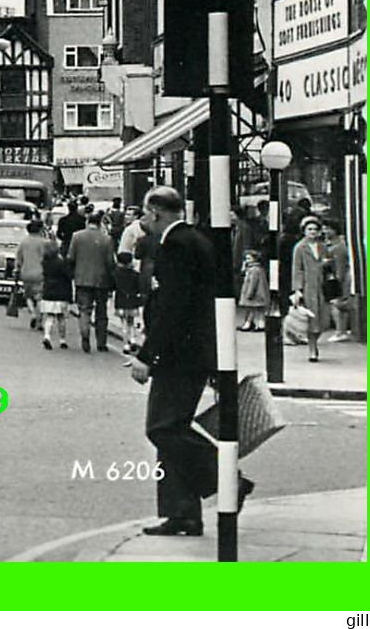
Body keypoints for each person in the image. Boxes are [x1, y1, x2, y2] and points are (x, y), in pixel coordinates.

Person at [129, 185, 249, 538]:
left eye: (144, 214)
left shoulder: (176, 245)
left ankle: (229, 480)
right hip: (192, 352)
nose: (142, 221)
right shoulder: (193, 240)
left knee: (162, 429)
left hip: (182, 356)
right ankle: (182, 514)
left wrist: (147, 355)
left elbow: (173, 308)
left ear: (155, 212)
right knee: (173, 429)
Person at [70, 209, 117, 354]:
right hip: (101, 280)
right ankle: (101, 343)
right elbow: (110, 262)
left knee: (84, 310)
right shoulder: (106, 239)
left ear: (87, 222)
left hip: (82, 279)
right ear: (100, 224)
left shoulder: (77, 237)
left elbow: (71, 257)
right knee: (101, 312)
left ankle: (85, 337)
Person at [290, 217, 331, 363]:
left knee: (322, 320)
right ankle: (312, 348)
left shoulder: (323, 247)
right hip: (308, 287)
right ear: (304, 231)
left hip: (322, 287)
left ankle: (314, 342)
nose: (312, 232)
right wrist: (297, 289)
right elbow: (297, 269)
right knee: (311, 319)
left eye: (315, 229)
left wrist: (326, 264)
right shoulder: (300, 247)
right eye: (309, 229)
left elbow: (328, 267)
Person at [13, 219, 56, 334]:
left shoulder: (24, 242)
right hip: (41, 273)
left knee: (28, 296)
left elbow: (19, 258)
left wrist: (17, 269)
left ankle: (32, 313)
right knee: (40, 298)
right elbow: (51, 256)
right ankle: (39, 319)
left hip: (26, 272)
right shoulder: (45, 243)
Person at [321, 222, 356, 341]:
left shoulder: (338, 247)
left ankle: (340, 331)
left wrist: (338, 281)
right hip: (336, 277)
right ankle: (342, 330)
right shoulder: (333, 244)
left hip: (339, 278)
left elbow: (340, 266)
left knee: (337, 304)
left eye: (327, 228)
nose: (325, 231)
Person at [41, 235, 75, 351]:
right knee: (61, 318)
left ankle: (47, 335)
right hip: (61, 292)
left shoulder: (45, 263)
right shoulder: (61, 263)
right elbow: (69, 276)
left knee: (49, 316)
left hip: (48, 291)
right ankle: (62, 340)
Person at [113, 252, 146, 355]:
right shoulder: (135, 274)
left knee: (123, 324)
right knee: (131, 322)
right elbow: (140, 288)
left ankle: (126, 344)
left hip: (121, 301)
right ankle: (133, 338)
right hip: (132, 301)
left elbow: (113, 286)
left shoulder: (116, 274)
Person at [237, 249, 268, 331]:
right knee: (257, 311)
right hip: (258, 293)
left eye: (249, 259)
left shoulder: (254, 270)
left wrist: (249, 294)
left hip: (255, 294)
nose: (247, 261)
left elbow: (253, 283)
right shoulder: (255, 269)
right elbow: (242, 273)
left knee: (251, 310)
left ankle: (249, 324)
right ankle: (259, 324)